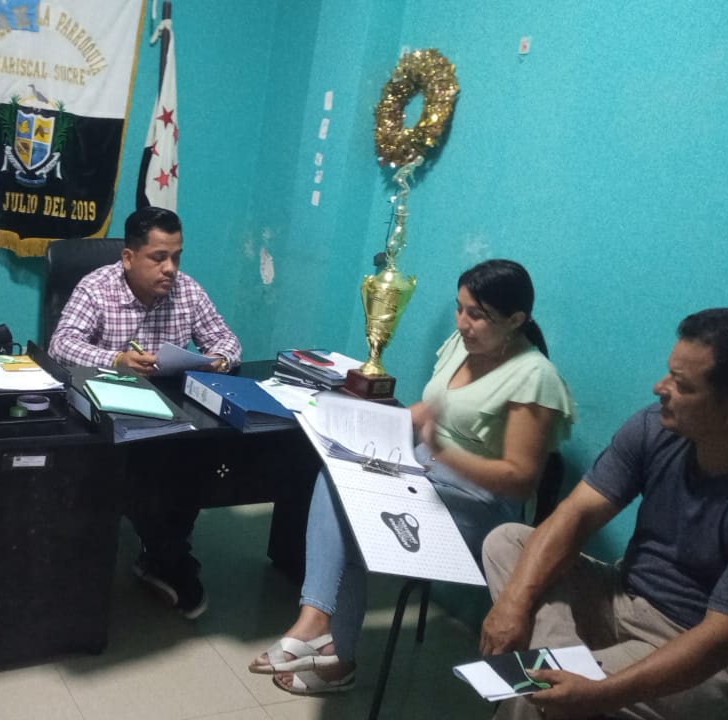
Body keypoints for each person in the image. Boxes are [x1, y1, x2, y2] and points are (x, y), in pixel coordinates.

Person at [249, 259, 576, 695]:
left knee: (352, 531)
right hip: (419, 476)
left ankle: (337, 658)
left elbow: (520, 479)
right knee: (335, 477)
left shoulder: (535, 378)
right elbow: (430, 409)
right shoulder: (464, 344)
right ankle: (316, 620)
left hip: (478, 506)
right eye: (460, 308)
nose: (463, 323)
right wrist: (368, 428)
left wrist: (446, 454)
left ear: (516, 320)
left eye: (477, 315)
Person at [479, 307, 728, 720]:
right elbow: (577, 515)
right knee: (507, 542)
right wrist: (514, 602)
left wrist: (600, 694)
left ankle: (560, 680)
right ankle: (564, 664)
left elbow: (722, 638)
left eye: (681, 384)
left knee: (531, 693)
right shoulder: (657, 427)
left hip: (714, 652)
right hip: (624, 596)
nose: (659, 388)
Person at [48, 206, 241, 618]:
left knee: (200, 458)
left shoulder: (187, 290)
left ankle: (165, 551)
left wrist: (218, 360)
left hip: (171, 415)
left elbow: (227, 340)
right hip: (107, 412)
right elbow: (61, 345)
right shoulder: (96, 287)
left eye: (176, 257)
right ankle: (170, 558)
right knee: (145, 470)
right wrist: (115, 359)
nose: (170, 269)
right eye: (159, 257)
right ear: (128, 257)